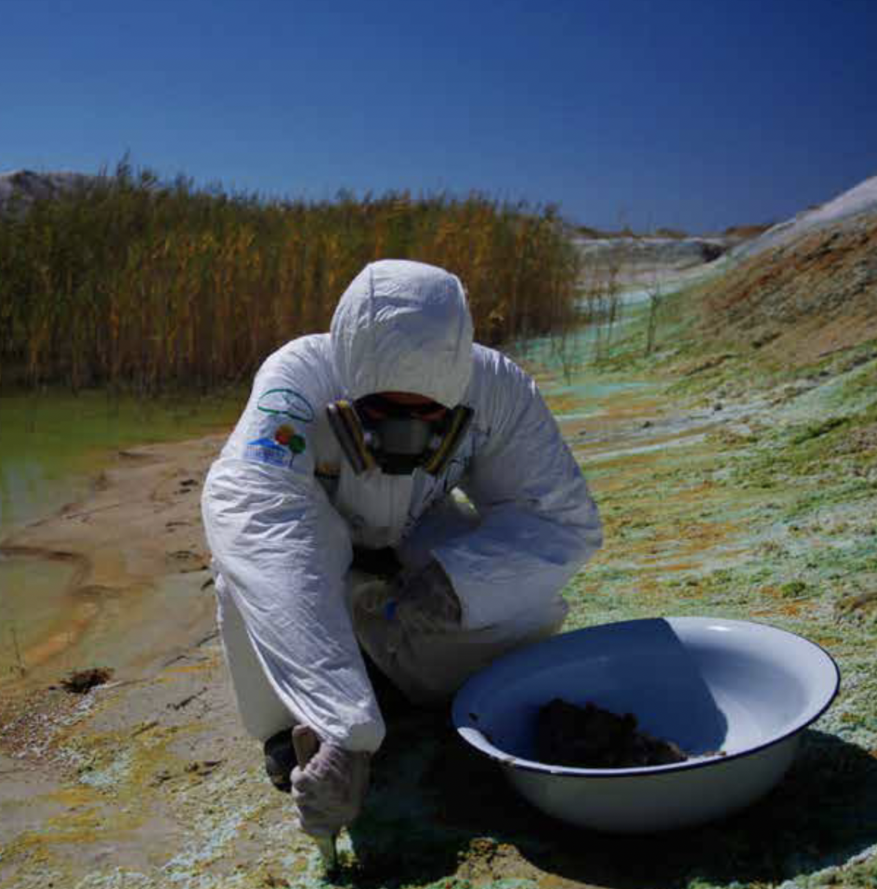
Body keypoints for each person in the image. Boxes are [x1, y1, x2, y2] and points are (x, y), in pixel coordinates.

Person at [200, 259, 601, 846]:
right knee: (246, 584)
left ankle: (406, 678)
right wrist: (345, 729)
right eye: (382, 415)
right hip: (319, 543)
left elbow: (559, 520)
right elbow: (259, 516)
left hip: (419, 539)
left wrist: (460, 582)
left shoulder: (497, 389)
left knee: (524, 610)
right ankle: (303, 732)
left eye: (427, 418)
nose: (404, 439)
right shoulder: (295, 382)